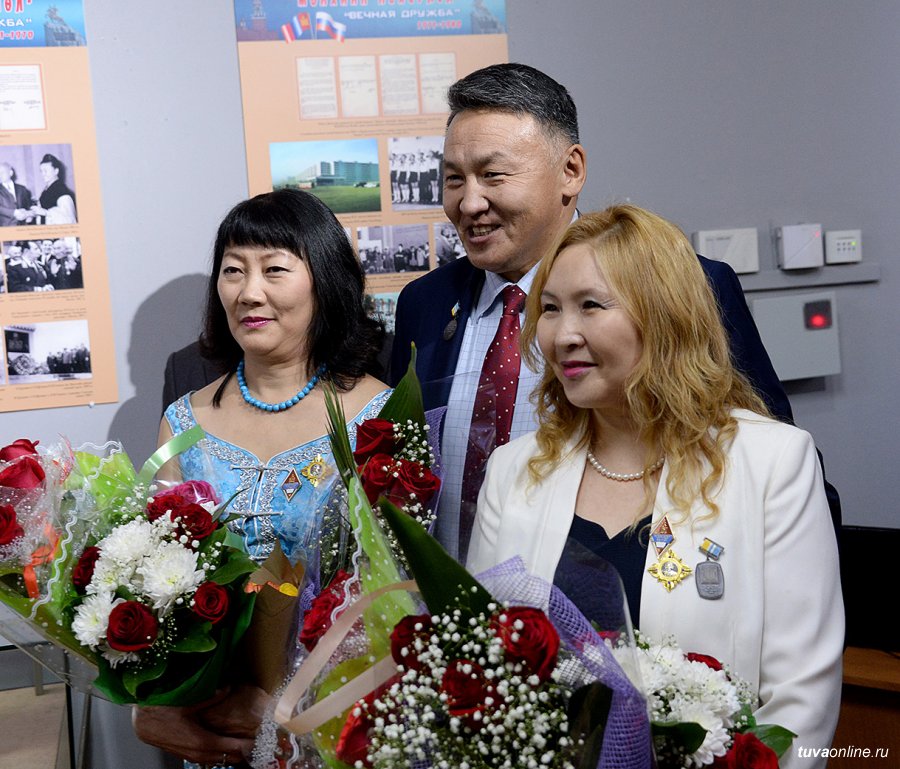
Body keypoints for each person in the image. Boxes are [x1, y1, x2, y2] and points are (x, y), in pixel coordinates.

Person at [467, 206, 844, 768]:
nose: (563, 335)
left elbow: (801, 700)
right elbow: (484, 670)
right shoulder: (513, 471)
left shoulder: (771, 464)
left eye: (591, 305)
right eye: (550, 309)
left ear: (663, 315)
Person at [389, 63, 809, 561]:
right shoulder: (425, 304)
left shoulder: (681, 287)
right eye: (454, 179)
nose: (469, 202)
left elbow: (767, 464)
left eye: (493, 175)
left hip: (646, 589)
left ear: (571, 171)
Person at [135, 188, 390, 766]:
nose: (249, 292)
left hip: (334, 729)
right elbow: (153, 579)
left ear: (324, 281)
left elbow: (390, 596)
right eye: (233, 271)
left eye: (274, 269)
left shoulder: (379, 418)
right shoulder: (183, 424)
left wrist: (290, 706)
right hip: (214, 734)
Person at [30, 153, 77, 225]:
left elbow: (69, 219)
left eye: (46, 170)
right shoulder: (47, 190)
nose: (43, 174)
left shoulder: (62, 191)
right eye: (41, 171)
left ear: (56, 171)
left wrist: (45, 213)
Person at [0, 162, 34, 226]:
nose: (0, 175)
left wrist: (29, 215)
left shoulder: (22, 189)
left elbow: (28, 205)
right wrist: (14, 212)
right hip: (5, 228)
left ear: (11, 173)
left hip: (22, 226)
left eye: (2, 172)